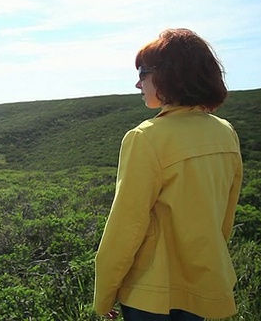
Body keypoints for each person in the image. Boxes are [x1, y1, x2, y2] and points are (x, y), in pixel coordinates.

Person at [93, 28, 243, 320]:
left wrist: (104, 294)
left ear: (170, 74)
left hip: (151, 295)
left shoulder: (145, 138)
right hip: (204, 283)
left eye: (143, 72)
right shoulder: (225, 133)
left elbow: (126, 226)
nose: (138, 83)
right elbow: (224, 216)